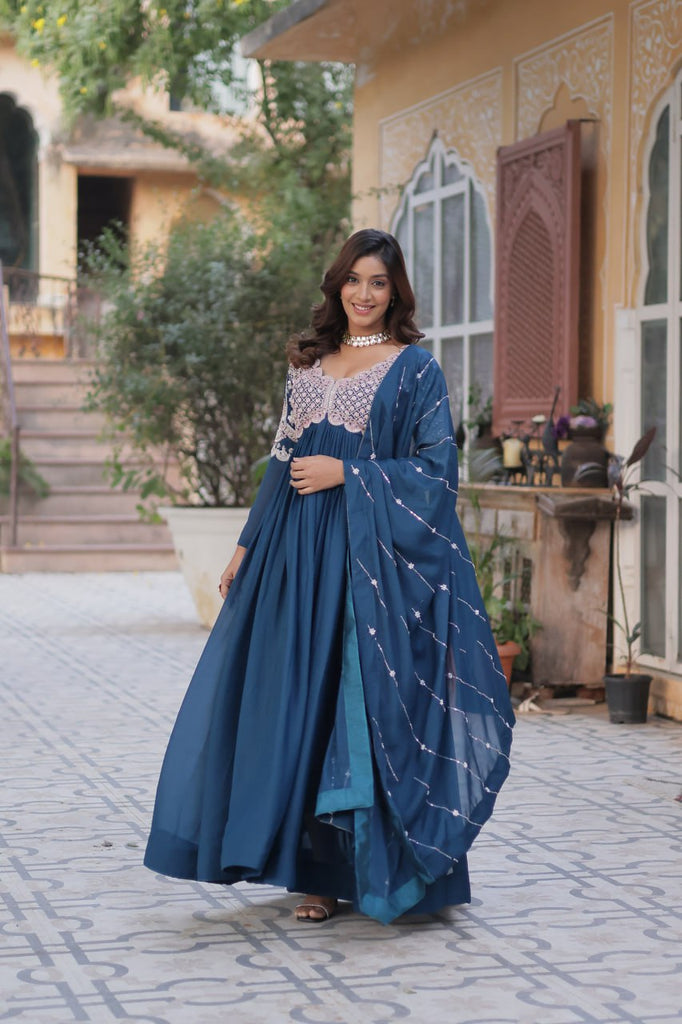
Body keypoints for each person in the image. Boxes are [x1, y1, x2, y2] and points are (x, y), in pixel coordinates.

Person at [144, 228, 514, 924]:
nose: (364, 294)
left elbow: (438, 472)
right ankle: (309, 873)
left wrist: (350, 472)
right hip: (292, 555)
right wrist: (245, 547)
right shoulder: (308, 364)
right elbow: (281, 463)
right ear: (337, 284)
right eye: (354, 279)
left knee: (354, 708)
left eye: (378, 282)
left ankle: (365, 869)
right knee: (295, 704)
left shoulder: (416, 370)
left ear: (395, 292)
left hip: (365, 564)